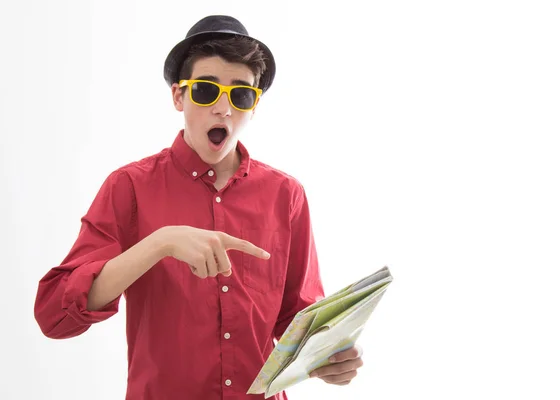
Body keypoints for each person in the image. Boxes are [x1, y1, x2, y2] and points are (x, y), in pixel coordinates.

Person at [34, 15, 363, 400]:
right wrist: (160, 243)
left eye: (241, 94)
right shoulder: (129, 188)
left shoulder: (286, 194)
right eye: (207, 90)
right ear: (179, 96)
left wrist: (328, 358)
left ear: (254, 106)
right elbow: (54, 315)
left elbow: (297, 317)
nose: (224, 108)